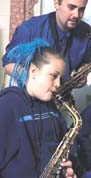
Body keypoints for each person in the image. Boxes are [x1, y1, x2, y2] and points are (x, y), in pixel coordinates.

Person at [0, 39, 77, 178]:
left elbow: (63, 152)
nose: (58, 84)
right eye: (54, 76)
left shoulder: (52, 108)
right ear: (34, 71)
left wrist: (68, 170)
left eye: (60, 78)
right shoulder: (7, 105)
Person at [2, 0, 91, 87]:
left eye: (81, 9)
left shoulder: (86, 31)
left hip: (62, 94)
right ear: (56, 4)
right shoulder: (30, 28)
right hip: (30, 96)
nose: (77, 15)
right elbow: (8, 64)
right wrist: (34, 80)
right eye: (71, 7)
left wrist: (82, 74)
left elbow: (86, 62)